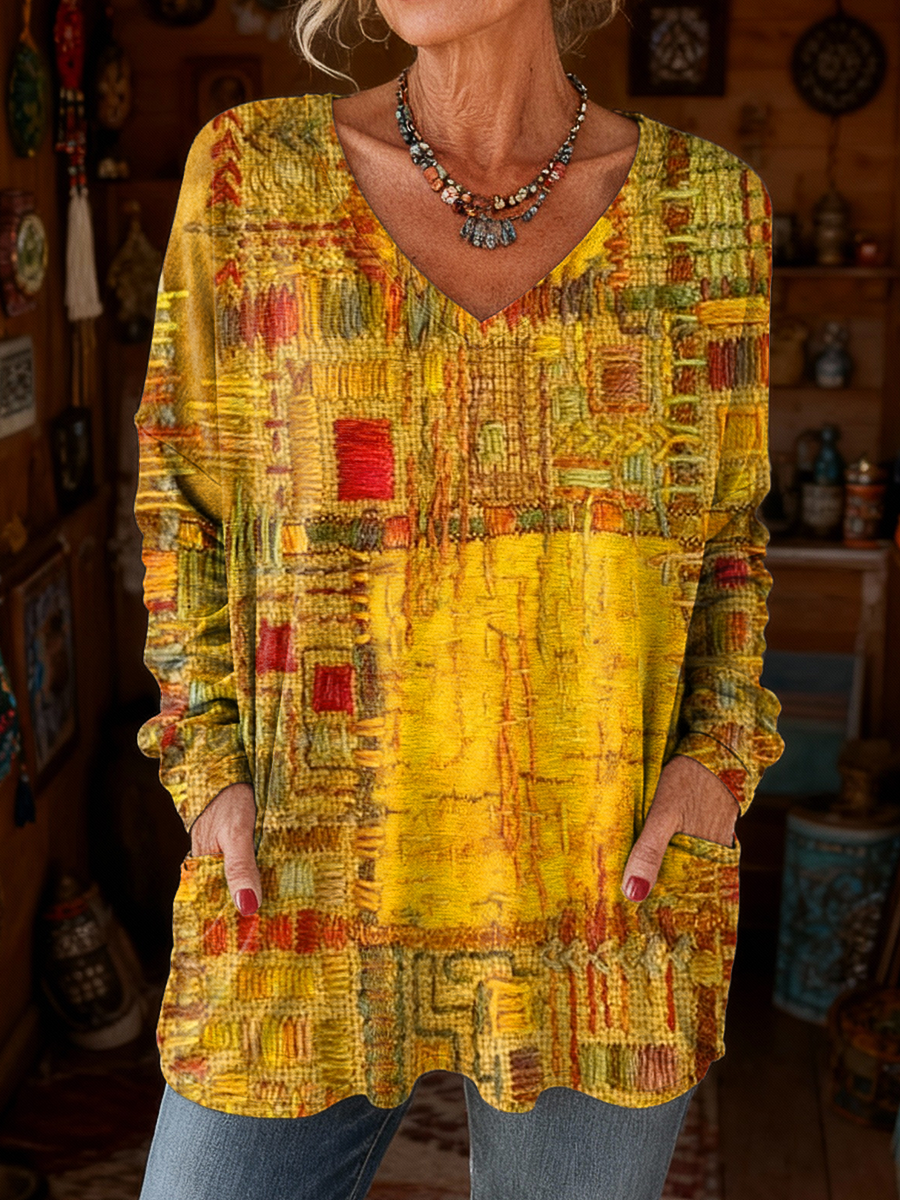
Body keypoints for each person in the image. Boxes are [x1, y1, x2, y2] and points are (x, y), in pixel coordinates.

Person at [133, 0, 784, 1196]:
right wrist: (207, 766)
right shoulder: (251, 179)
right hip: (303, 882)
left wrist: (716, 763)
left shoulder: (705, 212)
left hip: (602, 902)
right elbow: (186, 506)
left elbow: (730, 542)